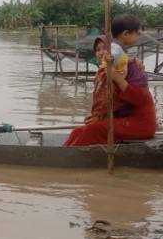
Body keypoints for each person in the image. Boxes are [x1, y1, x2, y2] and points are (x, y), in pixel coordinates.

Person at [64, 14, 157, 146]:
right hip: (124, 119)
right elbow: (109, 102)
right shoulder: (106, 71)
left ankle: (69, 161)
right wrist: (100, 115)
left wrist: (117, 78)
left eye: (105, 49)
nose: (101, 53)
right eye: (97, 50)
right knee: (78, 131)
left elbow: (140, 98)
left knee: (92, 130)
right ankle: (64, 152)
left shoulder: (131, 67)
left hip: (140, 124)